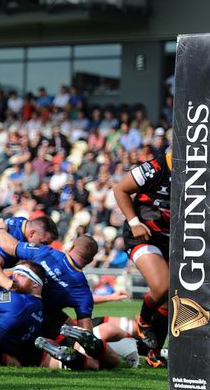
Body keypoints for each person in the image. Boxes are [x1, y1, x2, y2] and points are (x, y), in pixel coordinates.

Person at [112, 152, 171, 367]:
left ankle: (154, 354)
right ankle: (143, 321)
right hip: (144, 234)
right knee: (162, 285)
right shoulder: (157, 166)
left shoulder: (200, 173)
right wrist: (134, 221)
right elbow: (119, 188)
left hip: (175, 241)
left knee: (168, 299)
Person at [0, 219, 96, 335]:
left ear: (71, 247)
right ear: (90, 260)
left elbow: (8, 245)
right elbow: (86, 335)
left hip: (3, 304)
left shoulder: (45, 252)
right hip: (34, 323)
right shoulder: (83, 291)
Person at [0, 215, 59, 291]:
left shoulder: (23, 223)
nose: (42, 247)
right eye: (42, 243)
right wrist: (11, 286)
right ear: (32, 233)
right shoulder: (13, 235)